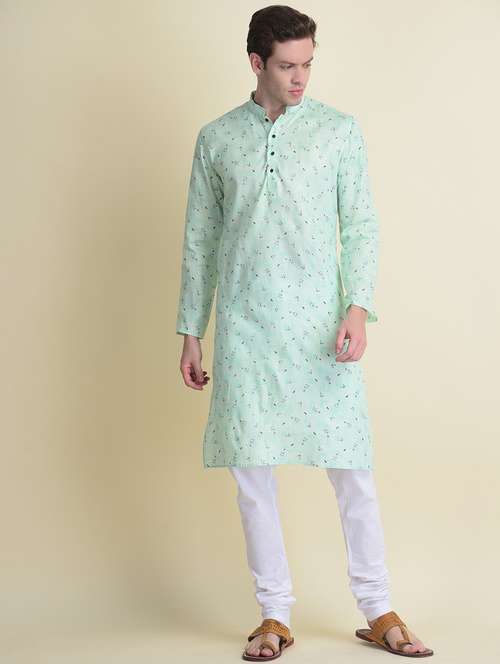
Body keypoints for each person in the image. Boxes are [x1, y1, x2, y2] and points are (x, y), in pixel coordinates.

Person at [175, 4, 433, 660]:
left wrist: (357, 307)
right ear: (256, 62)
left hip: (321, 328)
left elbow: (362, 223)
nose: (300, 78)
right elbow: (200, 239)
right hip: (245, 326)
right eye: (287, 65)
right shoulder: (217, 139)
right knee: (252, 476)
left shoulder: (338, 131)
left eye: (308, 64)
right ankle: (274, 614)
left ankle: (377, 606)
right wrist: (191, 329)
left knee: (352, 471)